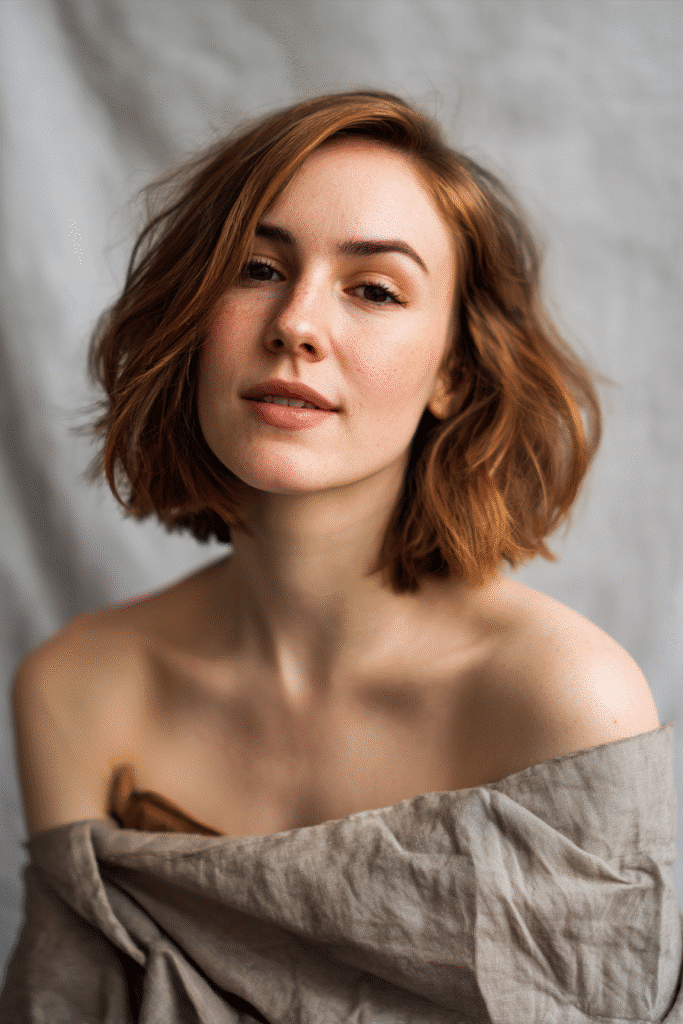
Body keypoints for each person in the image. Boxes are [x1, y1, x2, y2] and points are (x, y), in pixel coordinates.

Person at [4, 90, 677, 1022]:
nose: (296, 323)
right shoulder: (75, 688)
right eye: (254, 267)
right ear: (191, 321)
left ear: (453, 370)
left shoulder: (561, 700)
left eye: (373, 289)